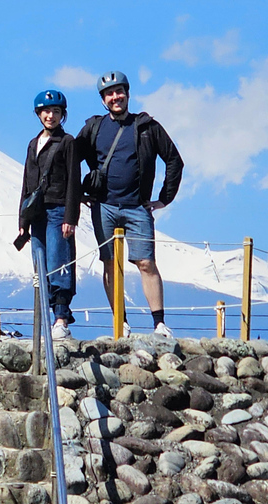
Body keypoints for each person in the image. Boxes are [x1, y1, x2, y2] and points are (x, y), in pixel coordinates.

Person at [76, 70, 183, 338]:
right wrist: (78, 193)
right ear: (103, 100)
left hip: (138, 207)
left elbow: (174, 160)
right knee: (110, 263)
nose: (115, 97)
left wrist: (164, 199)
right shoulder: (94, 127)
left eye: (119, 91)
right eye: (109, 94)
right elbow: (70, 157)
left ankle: (159, 323)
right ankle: (120, 322)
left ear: (128, 93)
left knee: (146, 263)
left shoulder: (147, 127)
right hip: (104, 206)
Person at [19, 90, 81, 340]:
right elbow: (26, 183)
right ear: (38, 113)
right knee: (40, 268)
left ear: (62, 114)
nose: (50, 115)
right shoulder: (33, 144)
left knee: (59, 264)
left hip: (58, 212)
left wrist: (70, 218)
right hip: (36, 216)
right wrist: (22, 222)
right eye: (45, 111)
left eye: (56, 111)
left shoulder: (67, 142)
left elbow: (74, 183)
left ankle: (61, 319)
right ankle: (44, 319)